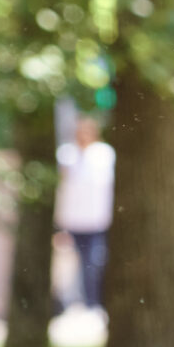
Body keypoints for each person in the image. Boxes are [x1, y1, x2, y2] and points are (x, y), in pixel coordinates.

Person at [54, 117, 114, 311]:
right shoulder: (66, 155)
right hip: (71, 221)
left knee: (94, 263)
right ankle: (67, 304)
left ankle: (93, 303)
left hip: (97, 221)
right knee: (67, 267)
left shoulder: (105, 155)